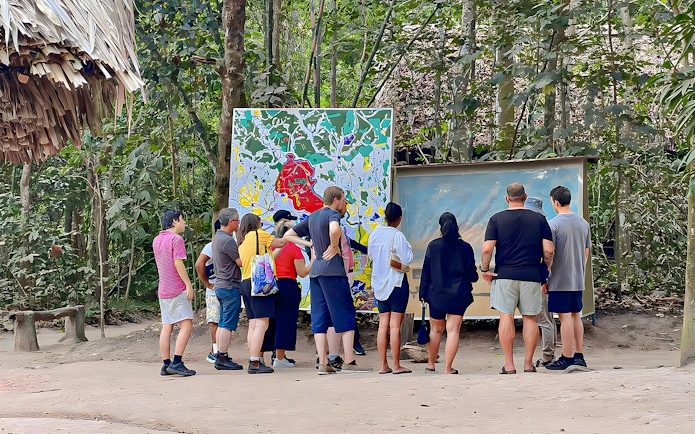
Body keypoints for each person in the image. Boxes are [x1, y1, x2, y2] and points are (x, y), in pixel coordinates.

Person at [283, 185, 372, 374]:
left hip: (316, 272)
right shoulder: (333, 215)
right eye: (344, 200)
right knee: (346, 313)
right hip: (333, 271)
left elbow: (288, 235)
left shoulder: (313, 217)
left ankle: (323, 362)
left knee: (320, 317)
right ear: (336, 200)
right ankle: (349, 360)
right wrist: (333, 245)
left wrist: (310, 244)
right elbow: (334, 230)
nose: (345, 204)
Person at [480, 183, 554, 374]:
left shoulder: (496, 219)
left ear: (507, 199)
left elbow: (487, 249)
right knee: (530, 318)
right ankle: (528, 364)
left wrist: (485, 269)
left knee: (506, 316)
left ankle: (509, 364)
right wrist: (545, 266)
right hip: (531, 276)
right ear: (525, 196)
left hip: (505, 276)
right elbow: (548, 250)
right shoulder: (539, 219)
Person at [238, 213, 308, 374]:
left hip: (246, 282)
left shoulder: (242, 240)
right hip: (259, 282)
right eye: (260, 222)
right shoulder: (259, 234)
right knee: (262, 323)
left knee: (254, 323)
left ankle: (254, 358)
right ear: (256, 224)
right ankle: (255, 362)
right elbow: (282, 242)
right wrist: (294, 233)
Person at [419, 212, 479, 374]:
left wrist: (422, 293)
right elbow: (472, 275)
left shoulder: (433, 246)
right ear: (457, 226)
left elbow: (426, 272)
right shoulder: (466, 247)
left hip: (436, 294)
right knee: (453, 330)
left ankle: (431, 364)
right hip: (458, 295)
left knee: (435, 330)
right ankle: (448, 368)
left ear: (440, 227)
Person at [544, 186, 591, 370]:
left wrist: (546, 274)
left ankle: (566, 356)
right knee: (575, 315)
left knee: (564, 318)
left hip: (560, 278)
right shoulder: (583, 223)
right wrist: (578, 268)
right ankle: (578, 355)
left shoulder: (553, 224)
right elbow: (586, 252)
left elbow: (550, 252)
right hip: (577, 277)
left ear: (555, 202)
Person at [368, 202, 414, 374]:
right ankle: (396, 365)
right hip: (396, 283)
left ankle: (383, 365)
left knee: (383, 325)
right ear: (399, 218)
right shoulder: (398, 236)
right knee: (395, 327)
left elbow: (371, 254)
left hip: (379, 284)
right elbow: (406, 258)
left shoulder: (375, 234)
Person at [153, 209, 196, 376]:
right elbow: (178, 263)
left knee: (167, 326)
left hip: (163, 289)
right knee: (186, 325)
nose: (184, 223)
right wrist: (188, 285)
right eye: (182, 219)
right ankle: (177, 362)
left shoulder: (157, 240)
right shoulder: (176, 239)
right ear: (174, 222)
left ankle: (166, 364)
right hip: (177, 288)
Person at [271, 212, 313, 367]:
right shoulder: (293, 248)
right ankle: (280, 358)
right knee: (285, 321)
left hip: (270, 286)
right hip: (287, 285)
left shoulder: (269, 245)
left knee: (268, 321)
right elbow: (302, 272)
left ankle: (260, 356)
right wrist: (314, 261)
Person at [524, 197, 557, 368]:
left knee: (543, 319)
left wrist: (545, 276)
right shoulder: (544, 226)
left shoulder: (539, 229)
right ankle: (550, 352)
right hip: (545, 276)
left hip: (539, 278)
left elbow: (548, 253)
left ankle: (547, 355)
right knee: (547, 318)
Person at [211, 208, 244, 371]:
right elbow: (241, 262)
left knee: (223, 321)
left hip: (221, 285)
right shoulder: (228, 241)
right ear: (230, 221)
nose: (239, 223)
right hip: (230, 285)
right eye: (237, 220)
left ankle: (219, 354)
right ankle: (222, 357)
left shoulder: (218, 238)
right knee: (227, 324)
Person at [195, 220, 222, 364]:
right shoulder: (210, 246)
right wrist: (207, 283)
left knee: (223, 323)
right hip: (214, 291)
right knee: (216, 323)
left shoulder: (228, 244)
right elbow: (199, 264)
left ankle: (221, 352)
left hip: (225, 288)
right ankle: (214, 352)